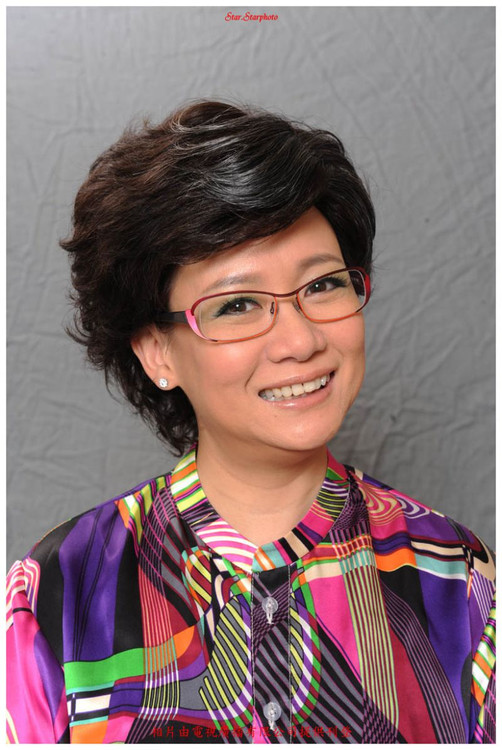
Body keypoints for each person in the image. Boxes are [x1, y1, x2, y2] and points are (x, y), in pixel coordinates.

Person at [7, 100, 495, 744]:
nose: (299, 341)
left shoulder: (456, 576)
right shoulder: (62, 588)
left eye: (323, 285)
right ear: (156, 351)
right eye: (237, 304)